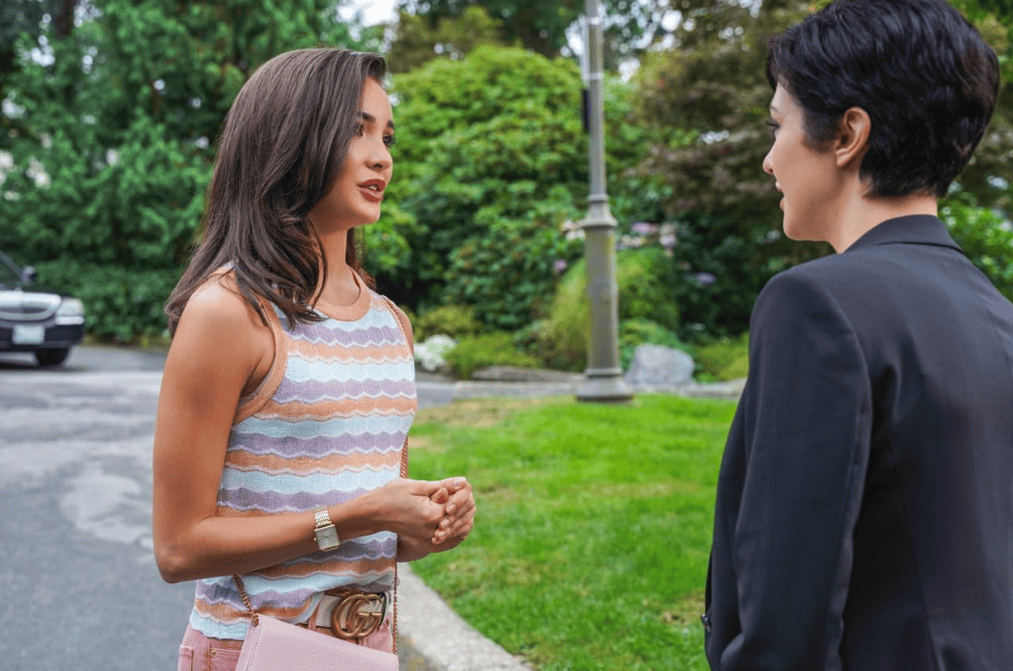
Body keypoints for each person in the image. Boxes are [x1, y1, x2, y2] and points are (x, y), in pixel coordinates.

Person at [702, 1, 1013, 669]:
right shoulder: (994, 312)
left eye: (776, 127)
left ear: (846, 134)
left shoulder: (814, 302)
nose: (767, 160)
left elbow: (789, 612)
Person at [152, 49, 475, 671]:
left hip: (365, 653)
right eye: (355, 131)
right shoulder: (229, 312)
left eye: (386, 134)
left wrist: (425, 525)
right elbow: (179, 548)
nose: (381, 155)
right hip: (250, 649)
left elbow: (376, 528)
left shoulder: (390, 324)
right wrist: (354, 517)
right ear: (292, 140)